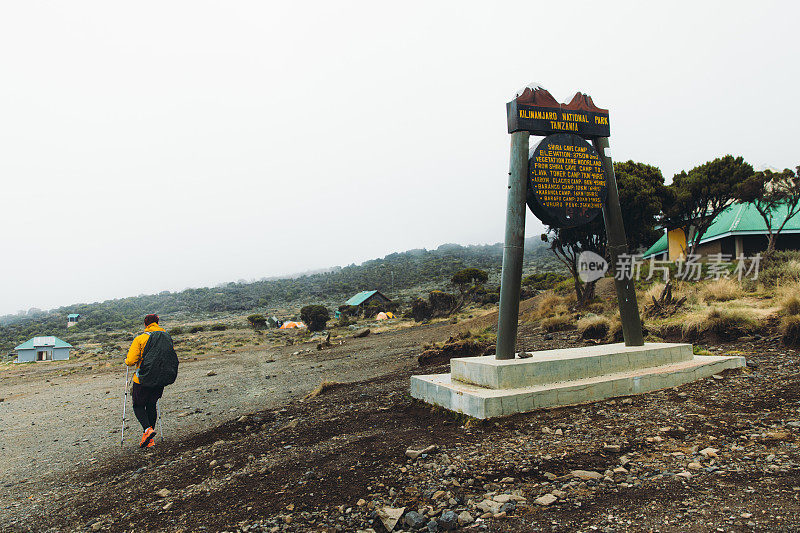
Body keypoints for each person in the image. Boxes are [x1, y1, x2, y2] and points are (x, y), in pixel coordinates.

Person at [125, 314, 177, 448]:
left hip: (143, 378)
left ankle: (148, 430)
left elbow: (131, 361)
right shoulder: (166, 337)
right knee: (151, 404)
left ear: (145, 324)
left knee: (138, 405)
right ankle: (149, 439)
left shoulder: (141, 338)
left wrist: (126, 361)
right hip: (161, 377)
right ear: (157, 322)